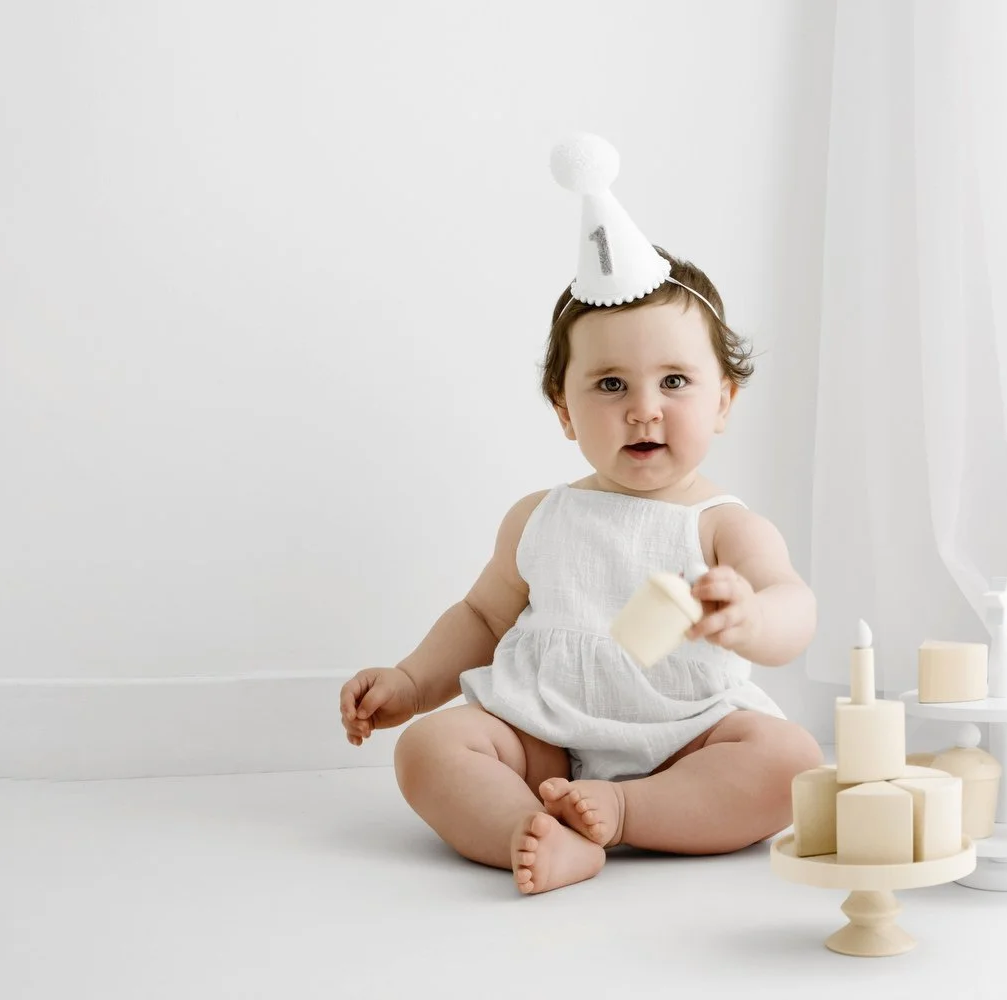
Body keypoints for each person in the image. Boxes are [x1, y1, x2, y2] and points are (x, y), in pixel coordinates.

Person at [337, 135, 822, 894]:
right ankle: (529, 831)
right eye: (608, 386)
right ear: (563, 410)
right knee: (431, 749)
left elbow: (794, 605)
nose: (643, 410)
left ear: (723, 400)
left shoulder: (724, 526)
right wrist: (409, 680)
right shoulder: (540, 517)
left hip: (684, 741)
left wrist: (749, 617)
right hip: (545, 738)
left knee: (788, 761)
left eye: (674, 381)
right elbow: (483, 619)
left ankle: (628, 809)